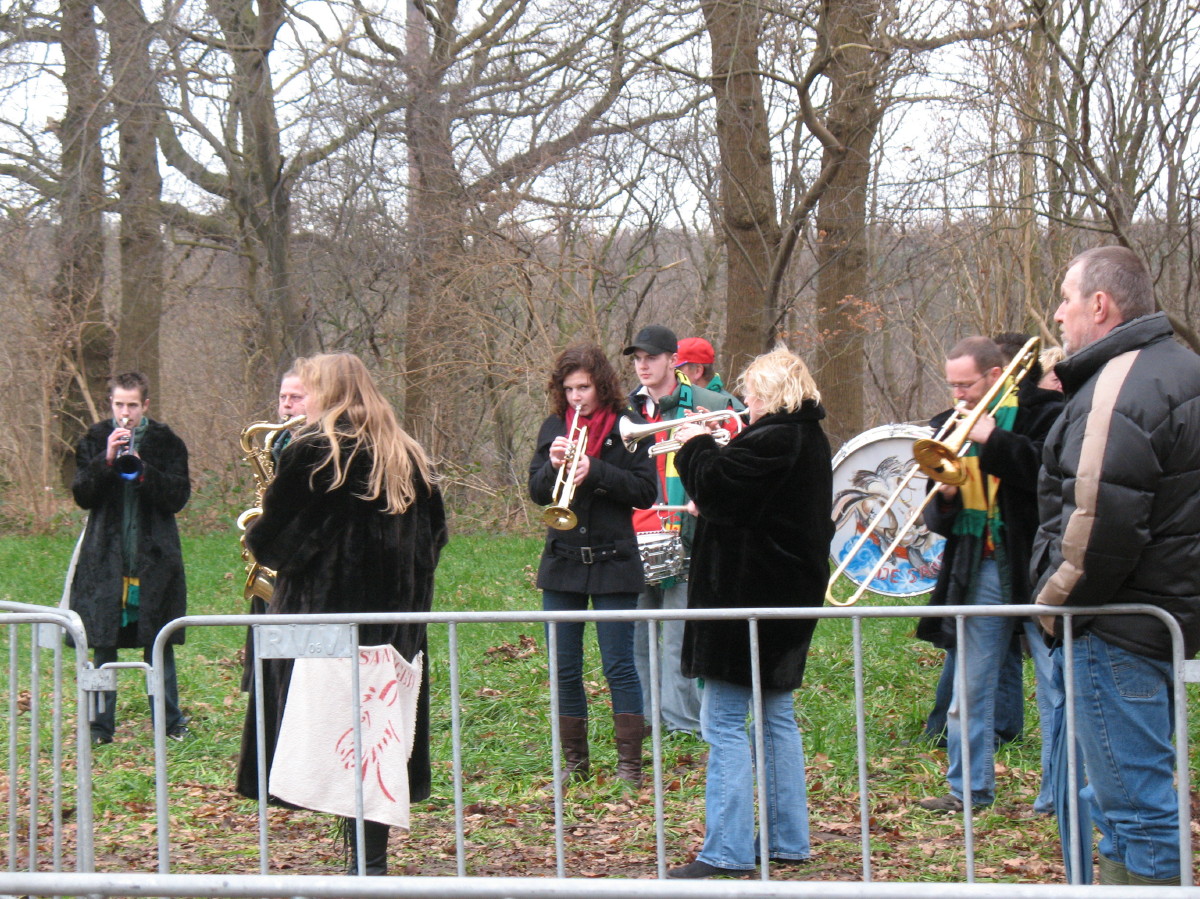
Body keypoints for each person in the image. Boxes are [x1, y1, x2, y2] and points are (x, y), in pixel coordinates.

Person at [236, 352, 448, 876]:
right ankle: (369, 864)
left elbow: (275, 543)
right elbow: (437, 539)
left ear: (327, 393)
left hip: (324, 628)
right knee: (375, 747)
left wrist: (259, 530)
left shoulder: (316, 452)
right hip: (397, 629)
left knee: (321, 738)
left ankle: (353, 866)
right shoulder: (410, 455)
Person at [1032, 245, 1200, 886]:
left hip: (1114, 627)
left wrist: (1047, 608)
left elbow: (1098, 524)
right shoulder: (1178, 367)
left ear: (1100, 305)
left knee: (1136, 816)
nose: (1059, 313)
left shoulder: (1123, 384)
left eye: (1067, 299)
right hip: (1153, 619)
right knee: (1136, 810)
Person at [664, 347, 832, 878]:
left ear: (773, 393)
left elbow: (718, 483)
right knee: (776, 719)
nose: (747, 402)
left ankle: (727, 850)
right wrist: (708, 504)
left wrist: (692, 445)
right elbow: (743, 504)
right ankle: (786, 839)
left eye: (753, 393)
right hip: (783, 599)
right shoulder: (805, 439)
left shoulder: (776, 437)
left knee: (724, 724)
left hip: (745, 606)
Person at [915, 336, 1062, 813]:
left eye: (965, 384)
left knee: (1055, 689)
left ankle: (1057, 797)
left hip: (1039, 565)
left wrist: (991, 440)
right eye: (952, 384)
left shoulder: (1048, 411)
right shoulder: (947, 425)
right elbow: (938, 523)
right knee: (969, 689)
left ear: (995, 375)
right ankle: (967, 790)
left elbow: (1049, 478)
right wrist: (947, 496)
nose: (957, 395)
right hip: (979, 565)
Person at [528, 344, 658, 786]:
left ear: (601, 386)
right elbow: (537, 492)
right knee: (563, 665)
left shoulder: (630, 427)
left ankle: (629, 768)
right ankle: (575, 764)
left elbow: (645, 491)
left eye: (583, 387)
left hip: (614, 562)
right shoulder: (554, 427)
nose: (575, 397)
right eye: (568, 389)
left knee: (618, 664)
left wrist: (595, 470)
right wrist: (552, 464)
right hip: (562, 563)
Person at [623, 325, 736, 736]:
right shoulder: (626, 410)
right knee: (636, 636)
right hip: (636, 534)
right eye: (637, 359)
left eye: (651, 357)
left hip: (685, 532)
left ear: (674, 360)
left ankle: (684, 723)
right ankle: (645, 719)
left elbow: (737, 455)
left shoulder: (711, 402)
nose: (642, 366)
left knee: (679, 636)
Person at [675, 337, 745, 410]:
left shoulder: (730, 408)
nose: (674, 375)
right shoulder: (677, 402)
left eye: (678, 370)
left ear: (697, 371)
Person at [272, 369, 308, 460]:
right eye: (283, 397)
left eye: (295, 397)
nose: (286, 404)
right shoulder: (274, 440)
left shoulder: (324, 445)